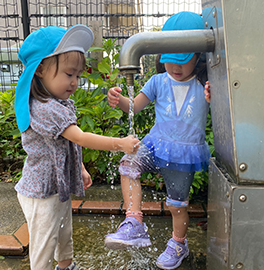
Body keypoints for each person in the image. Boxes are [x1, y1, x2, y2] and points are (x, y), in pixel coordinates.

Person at [14, 25, 140, 270]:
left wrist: (79, 168)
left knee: (63, 231)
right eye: (68, 74)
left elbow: (67, 144)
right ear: (40, 69)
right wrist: (120, 144)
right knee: (44, 242)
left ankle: (66, 265)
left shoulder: (58, 102)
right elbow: (80, 137)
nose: (74, 82)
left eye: (77, 76)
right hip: (41, 193)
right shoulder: (44, 108)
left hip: (57, 185)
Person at [104, 11, 210, 270]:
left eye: (182, 61)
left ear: (198, 56)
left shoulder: (204, 84)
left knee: (177, 205)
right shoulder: (158, 81)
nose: (174, 67)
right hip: (155, 144)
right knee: (129, 164)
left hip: (183, 154)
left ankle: (178, 243)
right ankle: (134, 222)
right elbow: (135, 107)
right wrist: (120, 101)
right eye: (169, 59)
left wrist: (212, 96)